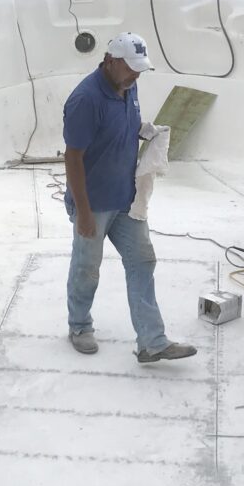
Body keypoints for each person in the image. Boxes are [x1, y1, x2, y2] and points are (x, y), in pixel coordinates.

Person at [62, 32, 196, 363]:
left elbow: (123, 124)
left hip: (126, 199)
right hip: (92, 203)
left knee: (142, 261)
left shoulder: (128, 86)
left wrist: (143, 131)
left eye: (139, 68)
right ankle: (79, 326)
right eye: (131, 68)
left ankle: (152, 341)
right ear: (110, 61)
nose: (136, 75)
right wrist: (84, 213)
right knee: (87, 268)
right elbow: (73, 157)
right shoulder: (85, 100)